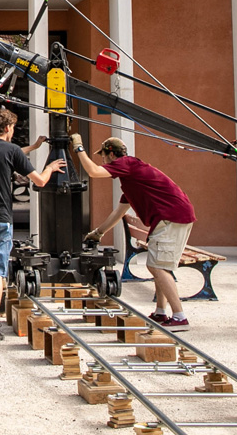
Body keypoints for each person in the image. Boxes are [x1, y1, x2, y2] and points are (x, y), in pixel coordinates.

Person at [69, 133, 197, 332]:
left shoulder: (127, 164)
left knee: (158, 267)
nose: (103, 161)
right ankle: (161, 312)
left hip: (171, 216)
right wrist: (98, 232)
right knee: (158, 265)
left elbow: (93, 172)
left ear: (111, 154)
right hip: (170, 217)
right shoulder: (131, 178)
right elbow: (119, 213)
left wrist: (78, 147)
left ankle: (180, 317)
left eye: (103, 156)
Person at [0, 106, 65, 343]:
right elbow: (40, 181)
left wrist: (32, 147)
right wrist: (50, 168)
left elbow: (5, 154)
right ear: (9, 128)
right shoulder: (11, 150)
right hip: (1, 219)